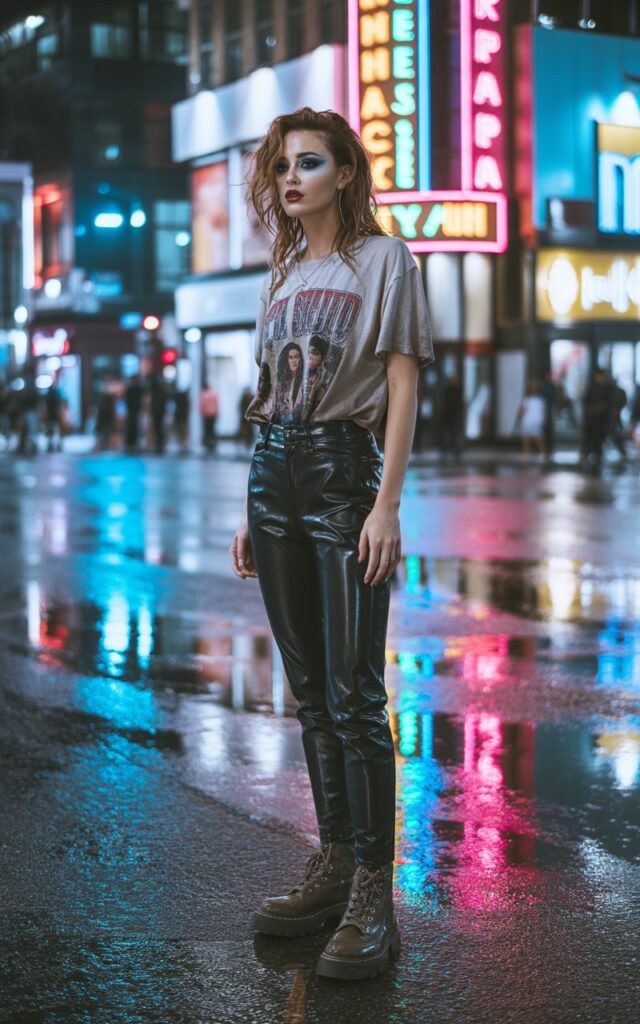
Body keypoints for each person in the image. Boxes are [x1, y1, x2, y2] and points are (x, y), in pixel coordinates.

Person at [230, 107, 433, 981]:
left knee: (354, 692)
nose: (291, 178)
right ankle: (336, 862)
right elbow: (274, 390)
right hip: (272, 474)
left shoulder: (384, 260)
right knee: (309, 690)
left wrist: (385, 505)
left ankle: (372, 897)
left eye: (308, 162)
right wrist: (252, 505)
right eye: (281, 166)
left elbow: (401, 379)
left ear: (344, 173)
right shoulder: (280, 273)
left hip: (346, 474)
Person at [582, 368, 613, 474]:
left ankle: (596, 459)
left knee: (599, 440)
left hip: (602, 420)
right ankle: (589, 457)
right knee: (591, 439)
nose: (601, 378)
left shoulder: (607, 388)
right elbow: (586, 404)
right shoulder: (592, 388)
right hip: (592, 420)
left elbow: (610, 403)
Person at [516, 380, 546, 458]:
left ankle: (525, 457)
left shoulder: (526, 400)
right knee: (539, 441)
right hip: (536, 422)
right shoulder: (540, 401)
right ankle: (543, 455)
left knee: (527, 442)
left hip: (528, 422)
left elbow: (521, 412)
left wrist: (519, 417)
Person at [124, 375, 144, 452]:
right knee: (133, 426)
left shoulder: (130, 389)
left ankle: (130, 443)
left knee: (131, 426)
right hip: (134, 411)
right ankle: (132, 443)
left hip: (131, 411)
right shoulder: (137, 389)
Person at [200, 383, 219, 452]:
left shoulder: (203, 394)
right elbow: (216, 404)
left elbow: (202, 405)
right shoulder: (214, 394)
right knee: (212, 429)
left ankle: (207, 443)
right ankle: (212, 443)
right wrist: (216, 412)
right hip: (213, 414)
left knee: (207, 429)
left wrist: (202, 413)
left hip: (206, 414)